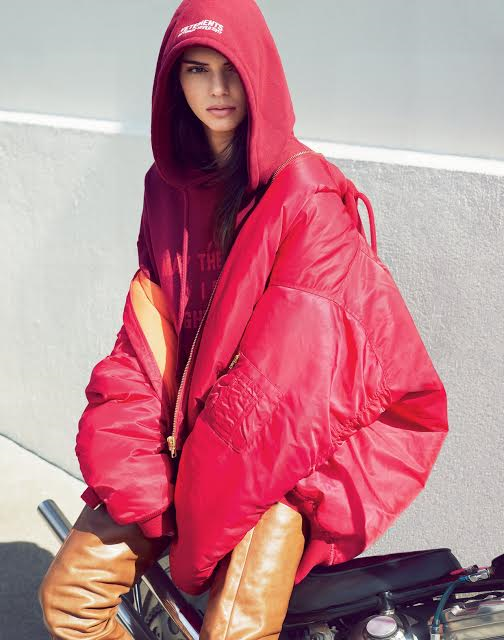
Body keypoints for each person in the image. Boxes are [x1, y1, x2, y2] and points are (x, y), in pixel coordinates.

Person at [38, 0, 449, 638]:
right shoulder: (165, 188)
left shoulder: (304, 194)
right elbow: (151, 334)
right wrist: (135, 455)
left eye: (232, 69)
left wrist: (202, 487)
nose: (218, 89)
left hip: (283, 459)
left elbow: (295, 380)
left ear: (261, 73)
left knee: (233, 629)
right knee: (71, 601)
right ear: (173, 82)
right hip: (189, 438)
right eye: (197, 70)